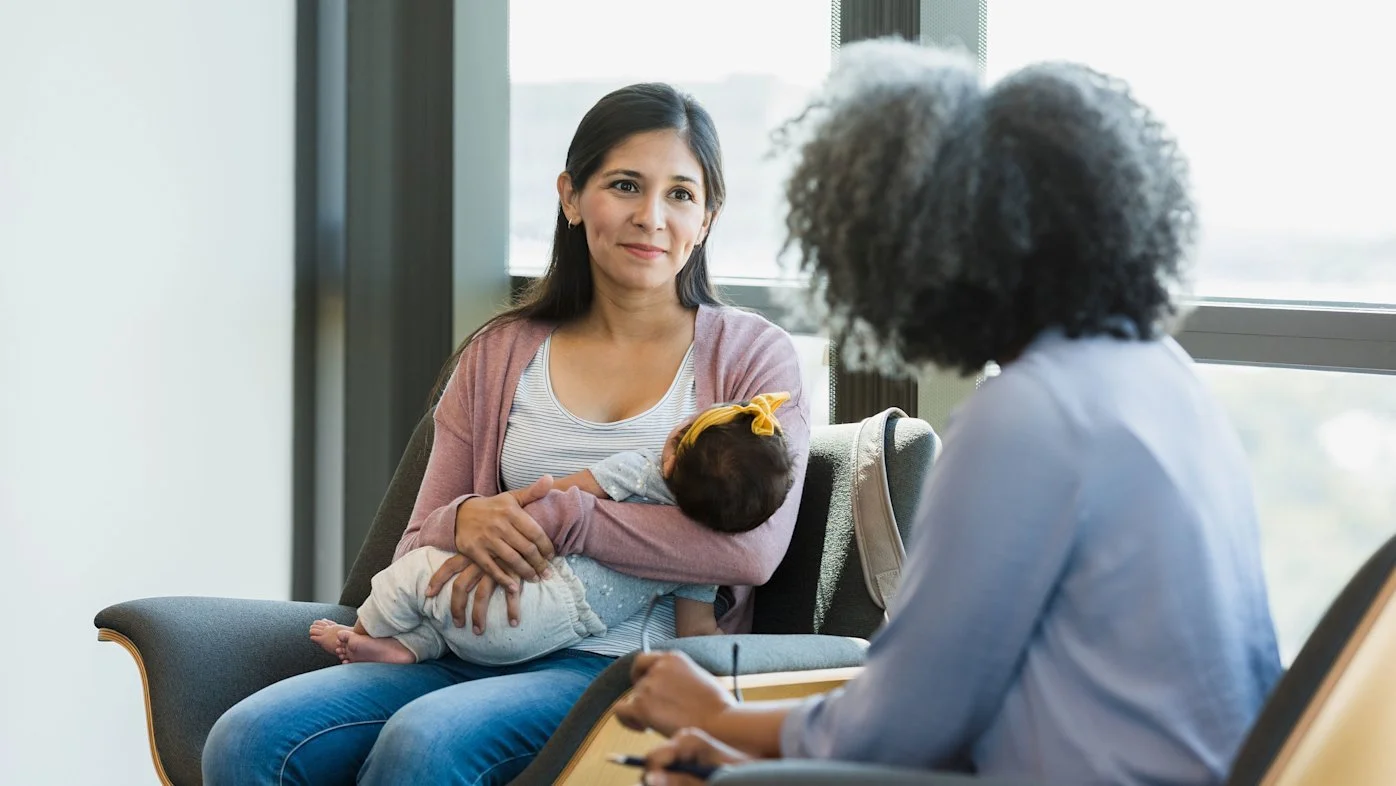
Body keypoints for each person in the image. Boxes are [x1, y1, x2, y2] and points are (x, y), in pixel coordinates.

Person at [616, 40, 1283, 786]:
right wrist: (742, 738)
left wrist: (718, 718)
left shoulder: (1027, 417)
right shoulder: (1162, 375)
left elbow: (911, 719)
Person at [201, 82, 811, 786]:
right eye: (625, 185)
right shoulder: (499, 352)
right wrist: (466, 520)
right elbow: (416, 537)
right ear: (572, 197)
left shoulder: (753, 358)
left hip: (622, 668)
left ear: (706, 218)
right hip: (464, 642)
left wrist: (574, 519)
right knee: (246, 740)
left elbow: (751, 551)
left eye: (680, 194)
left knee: (426, 745)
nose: (652, 216)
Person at [306, 393, 796, 666]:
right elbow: (696, 632)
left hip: (526, 594)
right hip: (554, 635)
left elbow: (554, 500)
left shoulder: (640, 470)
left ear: (672, 447)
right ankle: (407, 651)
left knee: (416, 575)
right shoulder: (703, 562)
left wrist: (486, 531)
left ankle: (361, 631)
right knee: (449, 625)